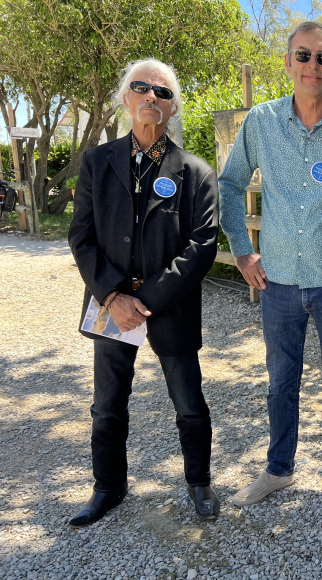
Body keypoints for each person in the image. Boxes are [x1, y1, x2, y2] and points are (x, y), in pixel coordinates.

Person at [218, 22, 322, 510]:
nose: (314, 65)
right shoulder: (261, 121)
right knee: (280, 382)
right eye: (304, 55)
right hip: (277, 283)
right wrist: (241, 250)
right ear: (289, 62)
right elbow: (230, 183)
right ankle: (278, 470)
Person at [68, 58, 220, 527]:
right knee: (106, 406)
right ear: (125, 98)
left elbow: (203, 245)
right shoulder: (97, 162)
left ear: (172, 107)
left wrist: (146, 301)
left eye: (163, 92)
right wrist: (113, 297)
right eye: (142, 87)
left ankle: (199, 482)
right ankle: (107, 487)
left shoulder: (195, 171)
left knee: (189, 403)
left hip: (168, 306)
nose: (152, 96)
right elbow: (81, 237)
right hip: (111, 304)